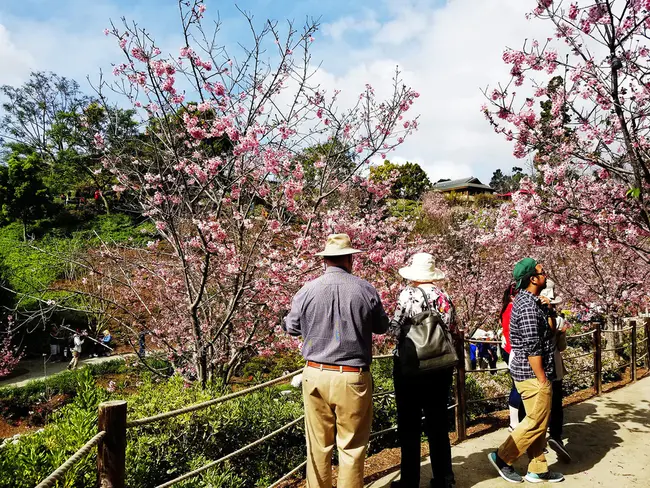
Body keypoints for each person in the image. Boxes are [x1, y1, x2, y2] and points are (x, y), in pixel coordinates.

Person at [283, 233, 389, 488]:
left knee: (318, 446)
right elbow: (382, 327)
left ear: (325, 261)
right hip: (352, 376)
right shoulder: (365, 289)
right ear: (350, 259)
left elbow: (292, 327)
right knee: (351, 447)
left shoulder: (307, 290)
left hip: (315, 373)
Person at [488, 258, 564, 483]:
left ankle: (538, 469)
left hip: (533, 371)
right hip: (532, 374)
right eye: (541, 271)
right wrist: (542, 378)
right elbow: (532, 346)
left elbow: (549, 332)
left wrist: (548, 309)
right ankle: (502, 457)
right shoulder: (528, 307)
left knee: (538, 421)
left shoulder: (532, 302)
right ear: (533, 278)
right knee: (535, 421)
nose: (545, 273)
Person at [389, 253, 456, 488]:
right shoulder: (444, 295)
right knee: (438, 422)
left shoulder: (407, 294)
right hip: (439, 366)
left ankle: (409, 481)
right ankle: (443, 479)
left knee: (410, 423)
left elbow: (395, 328)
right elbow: (453, 328)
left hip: (411, 366)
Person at [540, 279, 571, 463]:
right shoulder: (559, 321)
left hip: (535, 367)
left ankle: (538, 438)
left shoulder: (532, 316)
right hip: (555, 365)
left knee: (537, 405)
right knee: (556, 402)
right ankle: (556, 436)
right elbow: (562, 347)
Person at [501, 284, 526, 431]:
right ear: (512, 296)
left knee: (517, 386)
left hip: (509, 349)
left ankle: (515, 421)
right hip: (514, 350)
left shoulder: (506, 308)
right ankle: (514, 422)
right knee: (517, 386)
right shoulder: (512, 308)